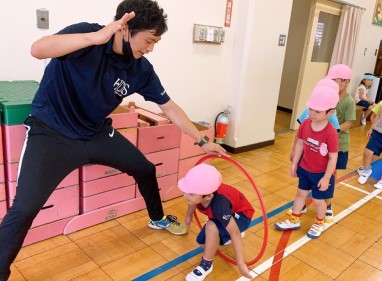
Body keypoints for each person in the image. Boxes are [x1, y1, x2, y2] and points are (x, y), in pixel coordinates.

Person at [0, 1, 227, 279]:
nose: (151, 47)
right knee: (24, 209)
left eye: (156, 42)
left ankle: (157, 218)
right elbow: (38, 49)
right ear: (125, 28)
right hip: (52, 132)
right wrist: (96, 38)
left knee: (145, 168)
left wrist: (202, 141)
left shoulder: (140, 69)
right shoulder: (87, 35)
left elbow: (168, 107)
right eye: (149, 40)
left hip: (95, 133)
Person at [287, 64, 353, 222]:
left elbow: (338, 131)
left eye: (336, 81)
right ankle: (302, 204)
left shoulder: (337, 107)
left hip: (334, 148)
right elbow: (301, 135)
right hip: (312, 147)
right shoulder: (315, 107)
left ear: (345, 82)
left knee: (327, 178)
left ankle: (326, 204)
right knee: (308, 176)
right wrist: (294, 151)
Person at [276, 85, 339, 239]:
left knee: (318, 200)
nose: (312, 113)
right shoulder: (305, 124)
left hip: (321, 174)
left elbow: (333, 157)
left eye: (318, 111)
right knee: (300, 194)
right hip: (305, 169)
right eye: (311, 109)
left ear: (330, 112)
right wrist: (295, 163)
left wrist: (326, 178)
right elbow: (299, 143)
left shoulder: (330, 132)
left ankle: (319, 222)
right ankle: (294, 219)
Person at [180, 164, 253, 281]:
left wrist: (240, 264)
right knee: (202, 243)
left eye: (191, 193)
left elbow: (235, 234)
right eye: (186, 191)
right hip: (226, 213)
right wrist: (188, 214)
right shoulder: (201, 194)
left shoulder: (220, 206)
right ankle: (224, 233)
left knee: (211, 226)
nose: (185, 195)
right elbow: (192, 201)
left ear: (208, 196)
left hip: (242, 216)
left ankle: (206, 265)